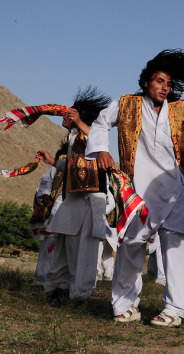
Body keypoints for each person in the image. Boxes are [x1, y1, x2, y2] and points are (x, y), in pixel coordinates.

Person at [86, 49, 184, 327]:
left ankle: (174, 309)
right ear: (146, 82)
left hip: (175, 189)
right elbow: (100, 123)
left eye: (168, 83)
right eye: (160, 81)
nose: (165, 87)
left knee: (175, 246)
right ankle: (126, 306)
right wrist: (100, 149)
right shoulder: (125, 104)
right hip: (137, 191)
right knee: (131, 245)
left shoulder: (181, 109)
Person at [37, 87, 111, 301]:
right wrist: (52, 161)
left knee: (85, 248)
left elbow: (99, 139)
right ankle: (59, 287)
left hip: (92, 199)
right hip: (73, 198)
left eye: (70, 113)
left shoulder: (90, 135)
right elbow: (71, 166)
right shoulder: (72, 138)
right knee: (64, 241)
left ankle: (79, 294)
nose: (65, 115)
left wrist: (79, 122)